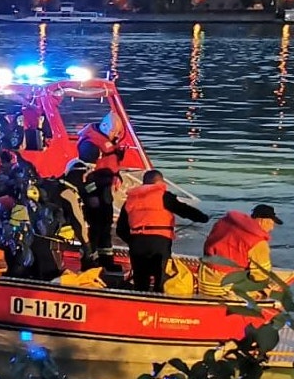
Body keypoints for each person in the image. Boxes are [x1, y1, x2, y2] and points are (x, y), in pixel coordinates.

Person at [116, 170, 209, 292]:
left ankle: (139, 304)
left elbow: (120, 229)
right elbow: (184, 210)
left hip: (137, 243)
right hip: (160, 243)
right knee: (160, 280)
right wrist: (203, 218)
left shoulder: (131, 199)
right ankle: (158, 305)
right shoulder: (164, 196)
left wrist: (133, 241)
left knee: (140, 281)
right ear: (160, 182)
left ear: (144, 183)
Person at [199, 204, 284, 297]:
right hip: (223, 289)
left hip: (204, 280)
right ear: (263, 221)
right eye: (271, 223)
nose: (272, 228)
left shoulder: (225, 222)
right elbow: (259, 277)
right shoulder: (258, 243)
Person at [77, 112, 126, 271]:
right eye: (113, 132)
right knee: (96, 227)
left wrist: (116, 175)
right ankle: (91, 261)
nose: (115, 136)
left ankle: (106, 260)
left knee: (105, 226)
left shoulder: (105, 141)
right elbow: (84, 175)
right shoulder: (90, 145)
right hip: (94, 192)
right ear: (105, 127)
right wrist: (91, 196)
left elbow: (110, 163)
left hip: (104, 190)